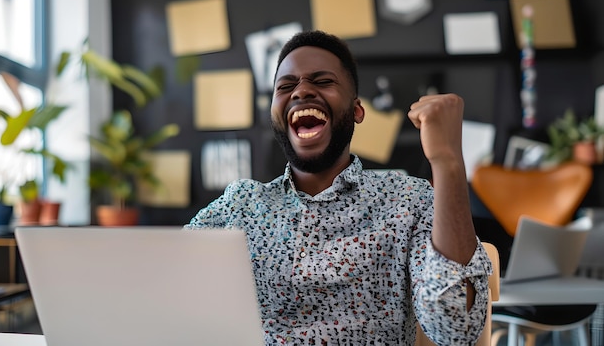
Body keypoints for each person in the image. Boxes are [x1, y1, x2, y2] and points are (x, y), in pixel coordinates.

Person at [185, 30, 492, 345]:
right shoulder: (241, 205)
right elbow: (166, 292)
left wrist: (448, 162)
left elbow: (457, 330)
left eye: (322, 81)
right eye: (287, 86)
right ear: (275, 115)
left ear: (357, 110)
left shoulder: (407, 199)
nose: (302, 91)